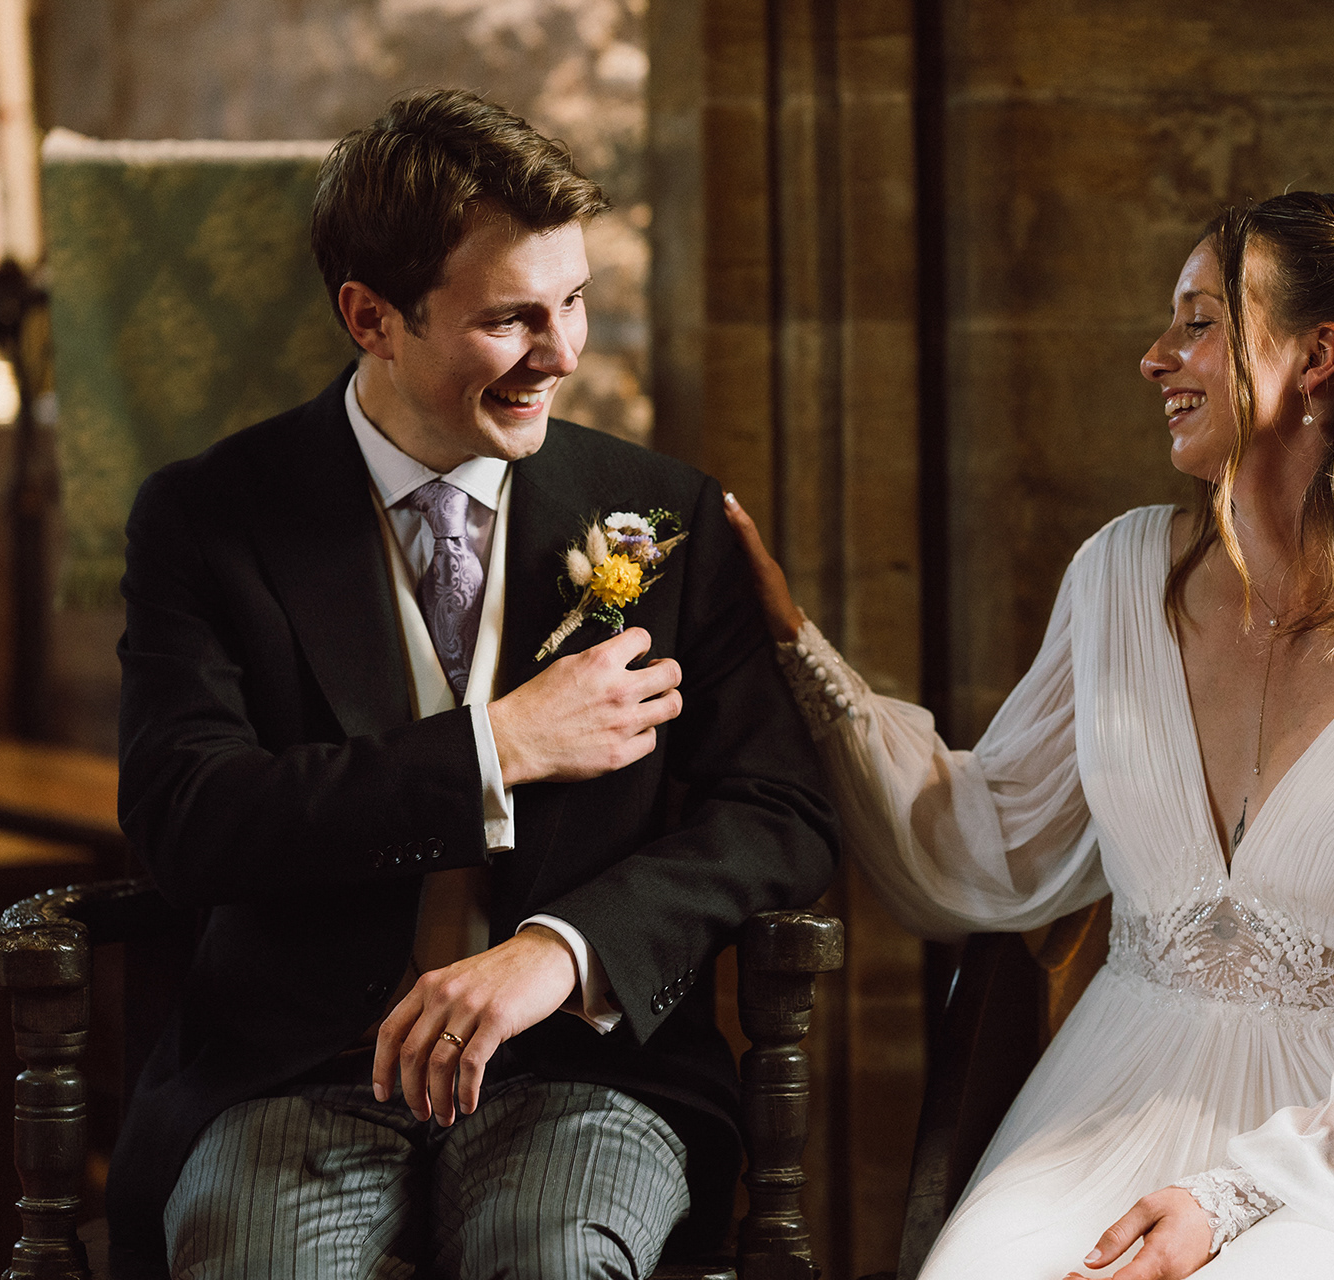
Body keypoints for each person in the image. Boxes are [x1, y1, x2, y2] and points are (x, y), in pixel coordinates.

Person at [725, 191, 1334, 1279]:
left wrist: (1229, 1197)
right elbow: (989, 835)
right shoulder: (1119, 580)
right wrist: (795, 647)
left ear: (1317, 358)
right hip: (1106, 1108)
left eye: (1199, 322)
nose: (1154, 357)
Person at [107, 88, 837, 1280]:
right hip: (294, 1073)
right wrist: (497, 748)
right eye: (511, 319)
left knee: (553, 1261)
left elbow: (779, 813)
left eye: (574, 301)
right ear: (372, 317)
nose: (563, 354)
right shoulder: (209, 518)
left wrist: (564, 946)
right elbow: (185, 819)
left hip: (586, 1072)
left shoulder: (661, 515)